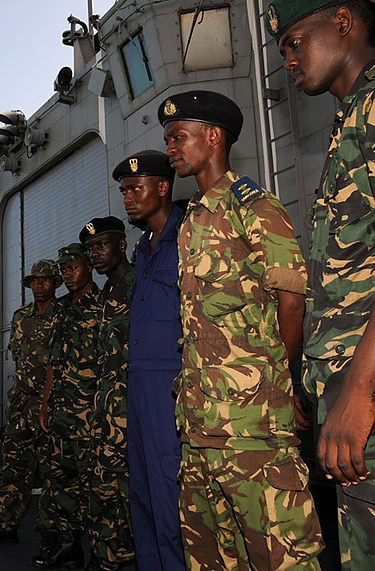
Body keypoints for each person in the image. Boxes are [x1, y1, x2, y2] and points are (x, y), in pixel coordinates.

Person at [158, 90, 324, 568]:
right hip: (199, 429)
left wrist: (279, 379)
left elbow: (291, 301)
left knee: (282, 557)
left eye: (178, 137)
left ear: (213, 137)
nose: (171, 147)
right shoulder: (192, 220)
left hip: (253, 430)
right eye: (168, 139)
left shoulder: (254, 207)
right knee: (212, 559)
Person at [268, 1, 375, 567]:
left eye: (293, 40)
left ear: (342, 22)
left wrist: (358, 392)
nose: (288, 58)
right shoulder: (350, 118)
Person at [113, 150, 186, 570]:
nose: (127, 198)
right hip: (138, 385)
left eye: (136, 189)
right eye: (123, 190)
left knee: (170, 495)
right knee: (141, 493)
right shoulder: (144, 248)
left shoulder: (189, 235)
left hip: (171, 384)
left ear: (162, 187)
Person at [0, 259, 62, 549]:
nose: (39, 285)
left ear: (55, 283)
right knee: (14, 469)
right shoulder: (20, 317)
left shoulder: (65, 316)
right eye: (35, 280)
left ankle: (52, 536)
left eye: (45, 280)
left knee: (52, 473)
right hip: (22, 405)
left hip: (53, 405)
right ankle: (5, 525)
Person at [33, 243, 102, 570]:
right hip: (60, 411)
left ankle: (100, 555)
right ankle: (69, 546)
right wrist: (46, 403)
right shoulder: (60, 309)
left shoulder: (102, 306)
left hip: (89, 413)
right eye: (64, 270)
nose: (68, 274)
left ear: (88, 266)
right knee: (61, 484)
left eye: (73, 267)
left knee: (95, 487)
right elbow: (52, 363)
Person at [80, 216, 135, 570]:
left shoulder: (138, 286)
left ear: (122, 245)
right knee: (103, 494)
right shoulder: (103, 297)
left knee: (137, 498)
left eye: (101, 245)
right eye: (90, 248)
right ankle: (110, 558)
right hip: (104, 416)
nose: (95, 253)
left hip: (135, 414)